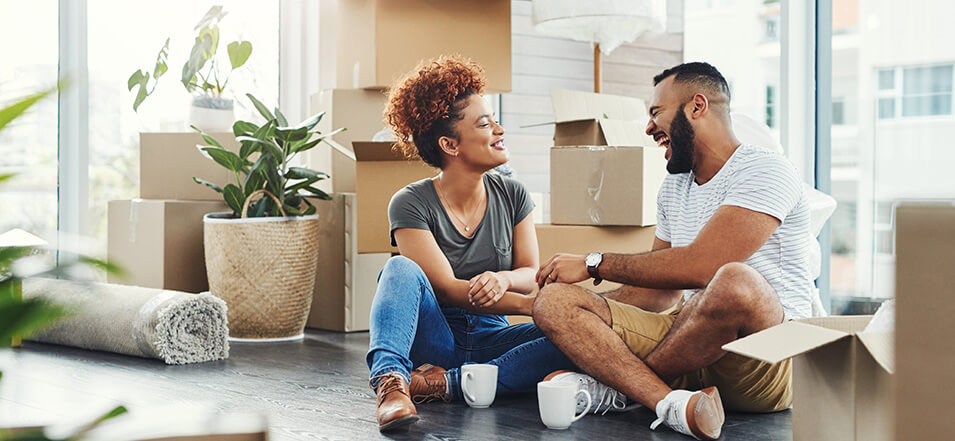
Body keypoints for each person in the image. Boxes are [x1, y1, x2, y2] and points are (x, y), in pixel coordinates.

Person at [532, 62, 812, 440]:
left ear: (697, 107)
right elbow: (656, 293)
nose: (649, 128)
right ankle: (671, 403)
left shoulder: (766, 170)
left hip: (767, 355)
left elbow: (703, 268)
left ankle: (623, 391)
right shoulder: (674, 188)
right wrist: (581, 308)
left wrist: (594, 263)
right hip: (689, 344)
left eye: (655, 113)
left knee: (735, 281)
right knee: (553, 302)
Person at [366, 55, 576, 432]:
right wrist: (535, 308)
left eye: (494, 119)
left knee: (581, 336)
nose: (499, 129)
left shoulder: (513, 194)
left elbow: (530, 272)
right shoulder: (410, 202)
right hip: (435, 337)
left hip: (492, 334)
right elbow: (445, 290)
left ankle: (441, 383)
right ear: (450, 144)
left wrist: (505, 279)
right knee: (397, 268)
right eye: (485, 123)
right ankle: (392, 384)